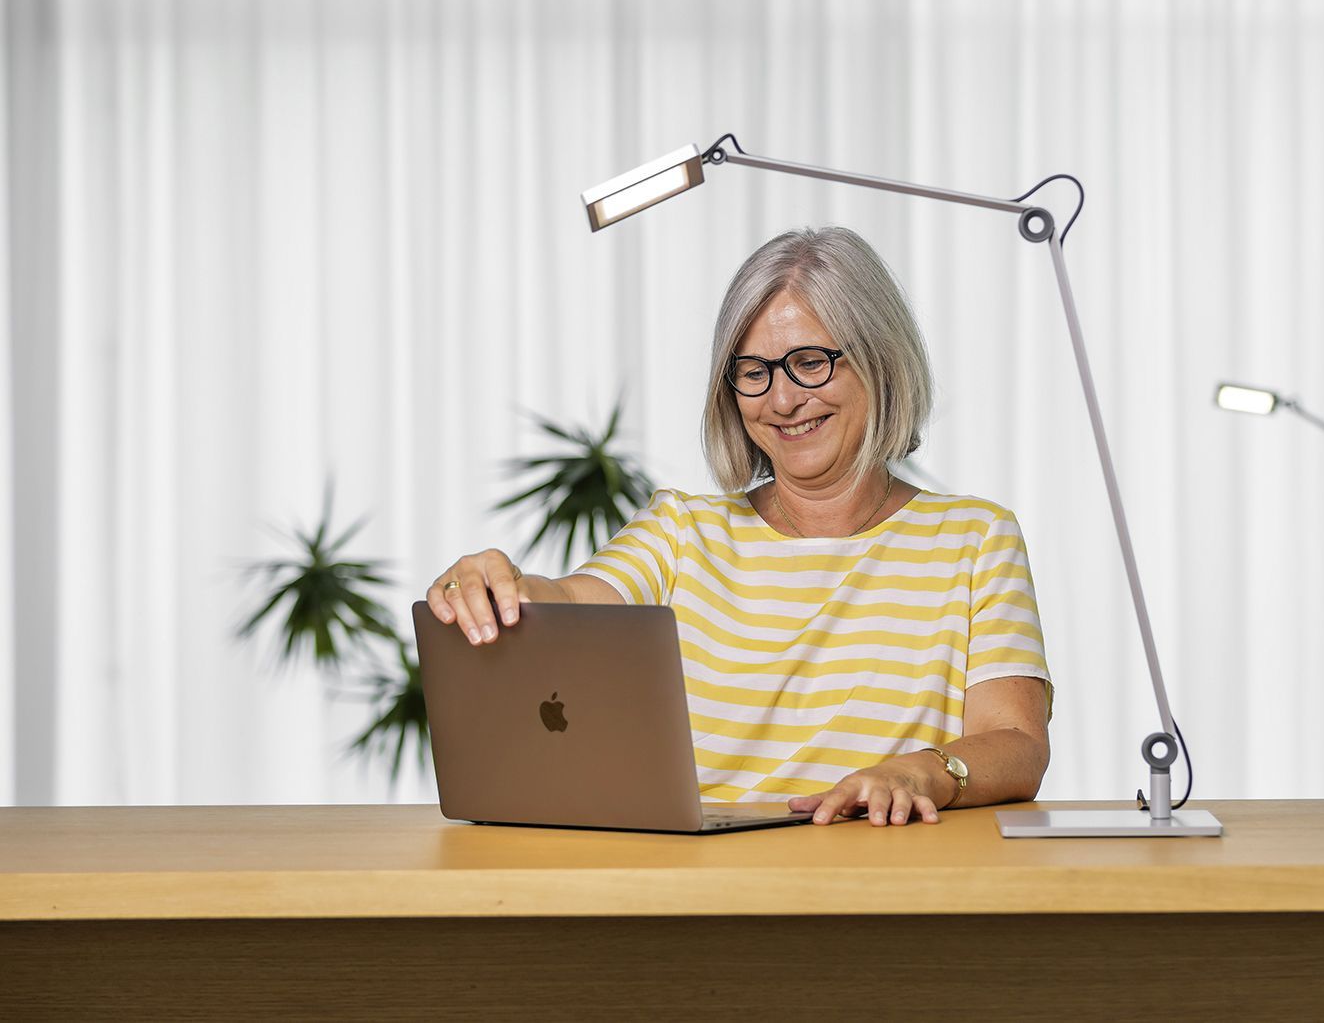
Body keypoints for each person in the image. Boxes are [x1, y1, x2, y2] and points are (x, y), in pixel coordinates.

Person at [426, 226, 1052, 828]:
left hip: (885, 885)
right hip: (701, 895)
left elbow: (1018, 744)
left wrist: (920, 774)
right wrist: (500, 586)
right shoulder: (681, 531)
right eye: (755, 372)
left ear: (881, 361)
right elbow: (567, 604)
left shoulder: (975, 538)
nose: (782, 400)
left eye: (810, 362)